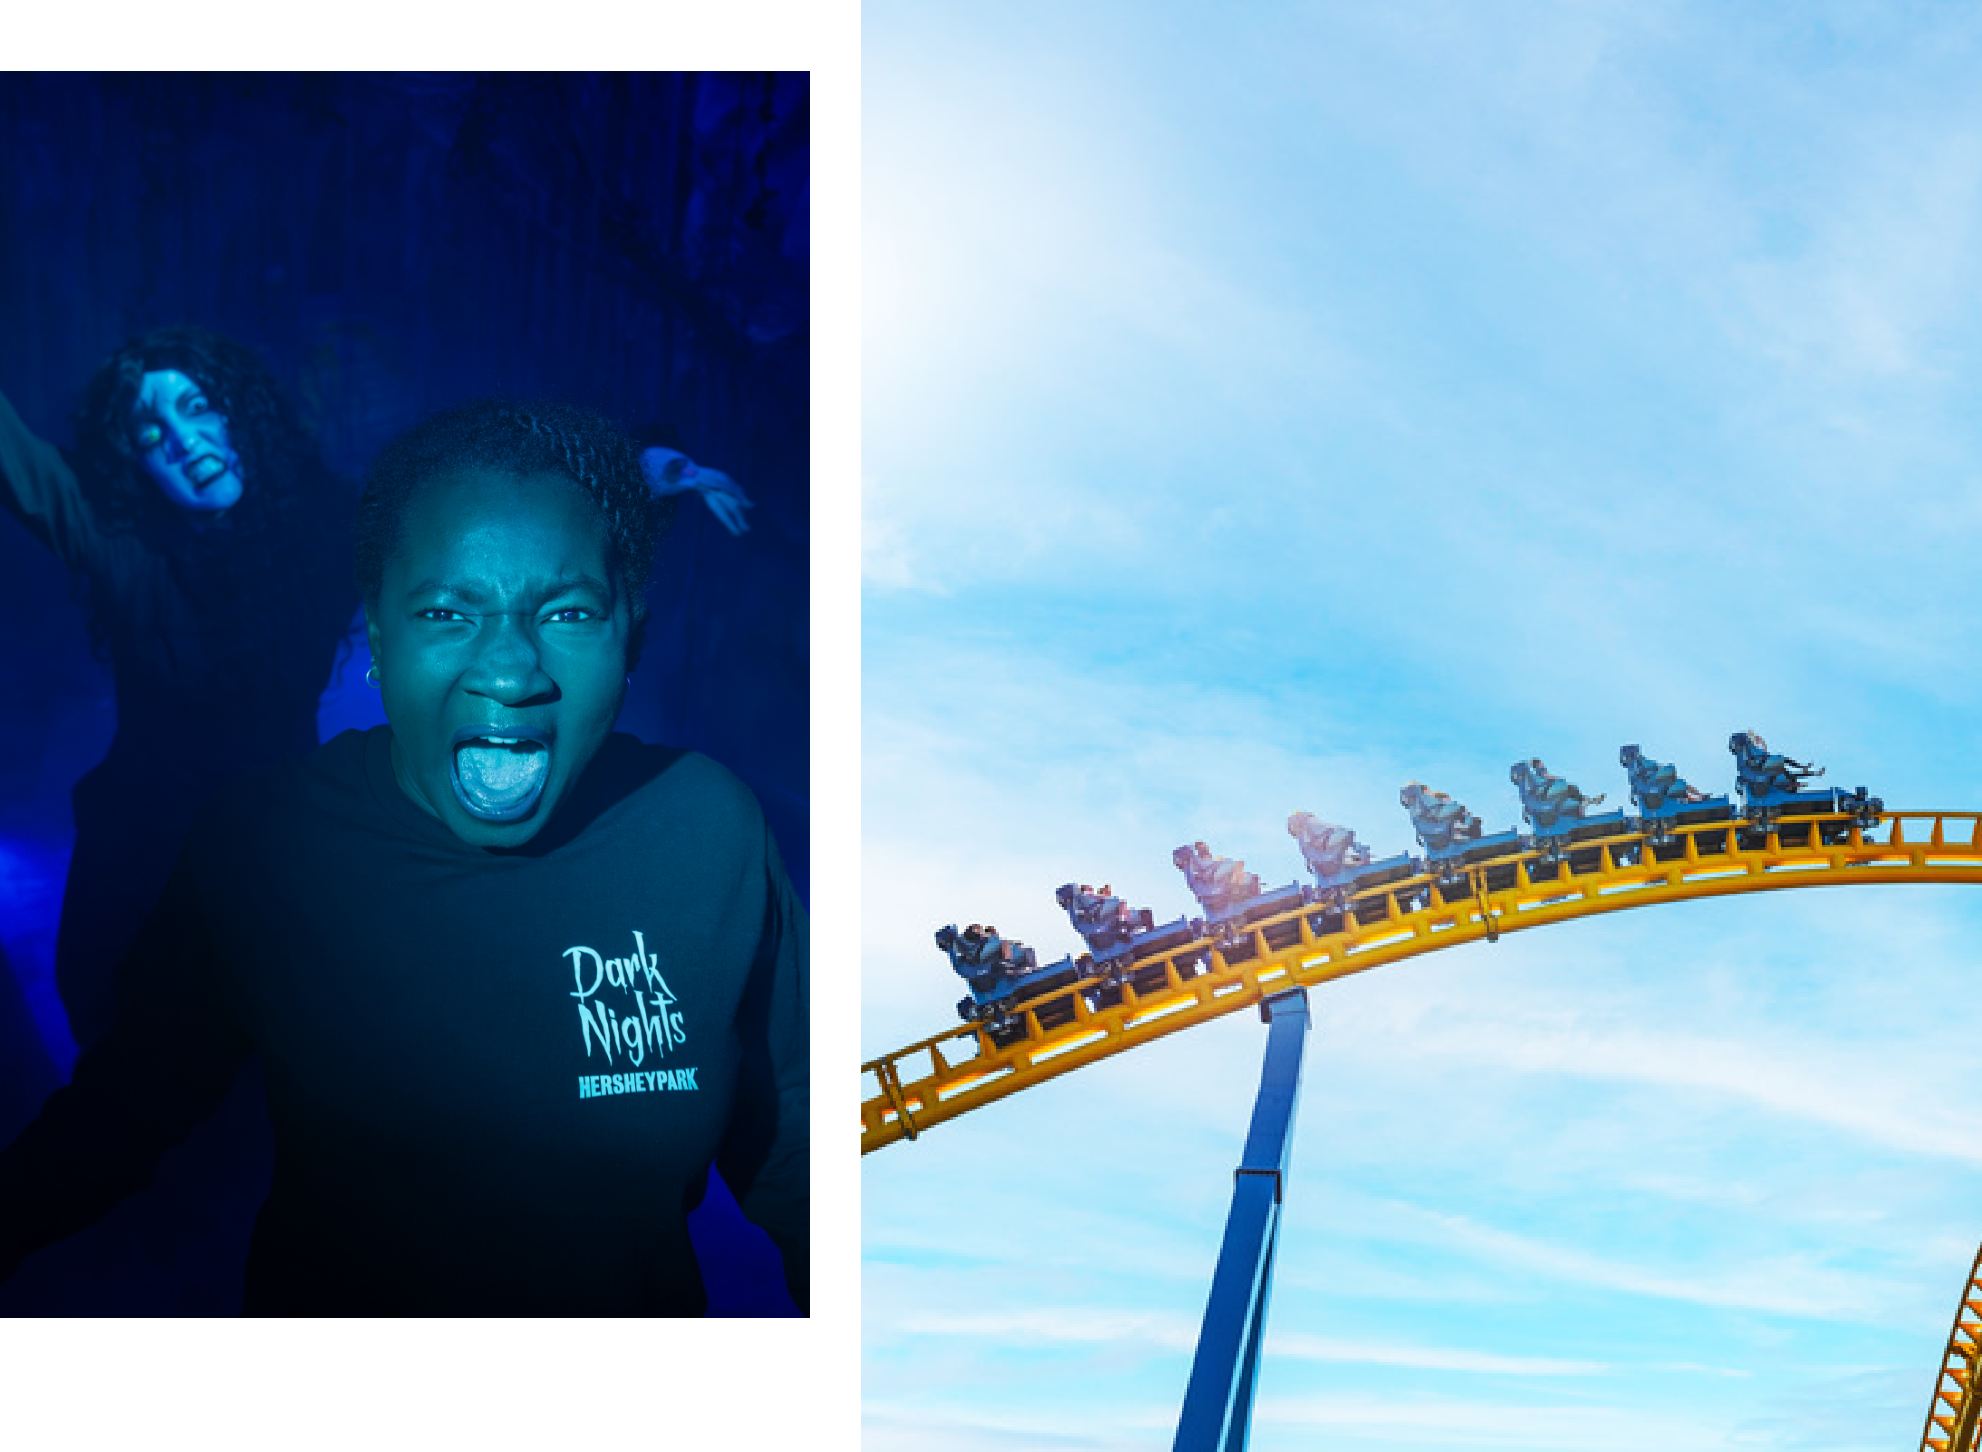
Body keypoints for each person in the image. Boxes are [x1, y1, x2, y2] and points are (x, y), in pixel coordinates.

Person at [0, 399, 810, 1316]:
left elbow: (793, 1134)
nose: (509, 669)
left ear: (634, 639)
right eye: (445, 610)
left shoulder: (707, 828)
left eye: (570, 610)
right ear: (379, 641)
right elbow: (128, 1105)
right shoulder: (267, 842)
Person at [0, 326, 356, 1053]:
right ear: (132, 461)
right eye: (151, 430)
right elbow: (17, 464)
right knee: (120, 1038)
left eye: (198, 407)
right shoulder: (118, 538)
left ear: (241, 412)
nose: (184, 440)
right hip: (138, 857)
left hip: (273, 856)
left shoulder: (334, 534)